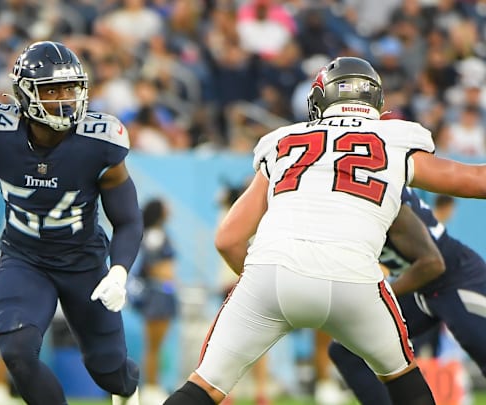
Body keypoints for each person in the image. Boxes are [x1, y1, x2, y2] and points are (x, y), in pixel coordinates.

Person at [163, 56, 486, 405]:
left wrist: (278, 288)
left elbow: (228, 239)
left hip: (271, 272)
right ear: (376, 101)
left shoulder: (284, 142)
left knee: (204, 387)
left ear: (319, 99)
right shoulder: (395, 138)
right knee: (403, 380)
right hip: (354, 280)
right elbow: (473, 180)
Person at [0, 41, 143, 405]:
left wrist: (118, 271)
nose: (64, 98)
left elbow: (128, 218)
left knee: (108, 369)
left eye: (70, 88)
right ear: (25, 94)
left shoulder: (99, 142)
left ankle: (128, 389)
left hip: (82, 261)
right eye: (51, 88)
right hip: (24, 258)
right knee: (17, 351)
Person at [329, 186, 486, 405]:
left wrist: (381, 294)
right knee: (348, 349)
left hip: (457, 279)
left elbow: (433, 263)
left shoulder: (375, 190)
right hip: (420, 287)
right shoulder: (337, 203)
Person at [133, 198, 178, 405]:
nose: (171, 208)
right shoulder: (155, 236)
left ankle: (153, 386)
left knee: (156, 346)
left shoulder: (157, 234)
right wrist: (166, 277)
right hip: (158, 294)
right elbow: (154, 265)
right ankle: (151, 388)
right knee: (153, 346)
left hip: (162, 294)